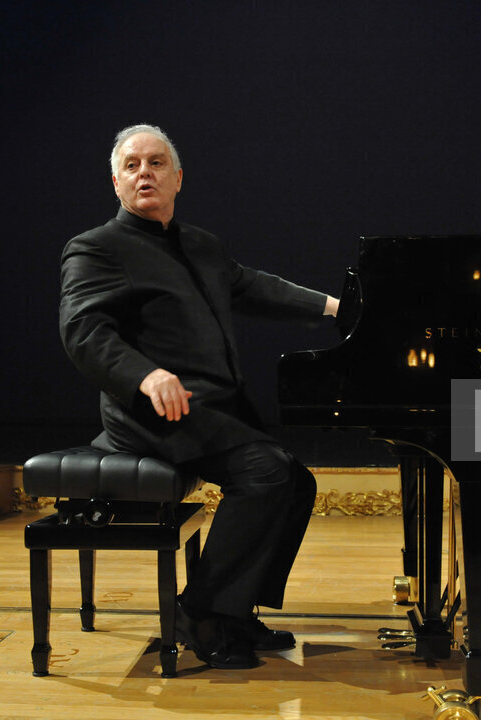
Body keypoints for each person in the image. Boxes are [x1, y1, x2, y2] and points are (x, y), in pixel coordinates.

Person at [58, 124, 339, 670]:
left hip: (209, 410)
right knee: (267, 473)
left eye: (157, 163)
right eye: (133, 165)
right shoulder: (96, 248)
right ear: (116, 182)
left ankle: (236, 611)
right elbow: (83, 331)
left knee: (295, 482)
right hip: (151, 414)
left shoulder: (202, 245)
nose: (145, 173)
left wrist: (335, 307)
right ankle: (201, 613)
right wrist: (144, 375)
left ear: (178, 178)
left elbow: (256, 286)